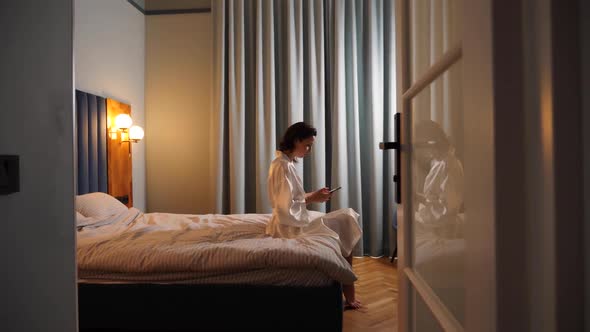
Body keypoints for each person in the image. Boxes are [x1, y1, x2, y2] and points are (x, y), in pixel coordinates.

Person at [266, 122, 363, 309]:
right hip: (289, 227)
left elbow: (293, 198)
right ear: (296, 140)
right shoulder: (282, 166)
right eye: (307, 145)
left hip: (292, 220)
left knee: (347, 218)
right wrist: (312, 199)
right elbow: (284, 207)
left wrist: (314, 195)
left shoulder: (285, 163)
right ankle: (349, 293)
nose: (309, 150)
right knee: (346, 221)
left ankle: (349, 291)